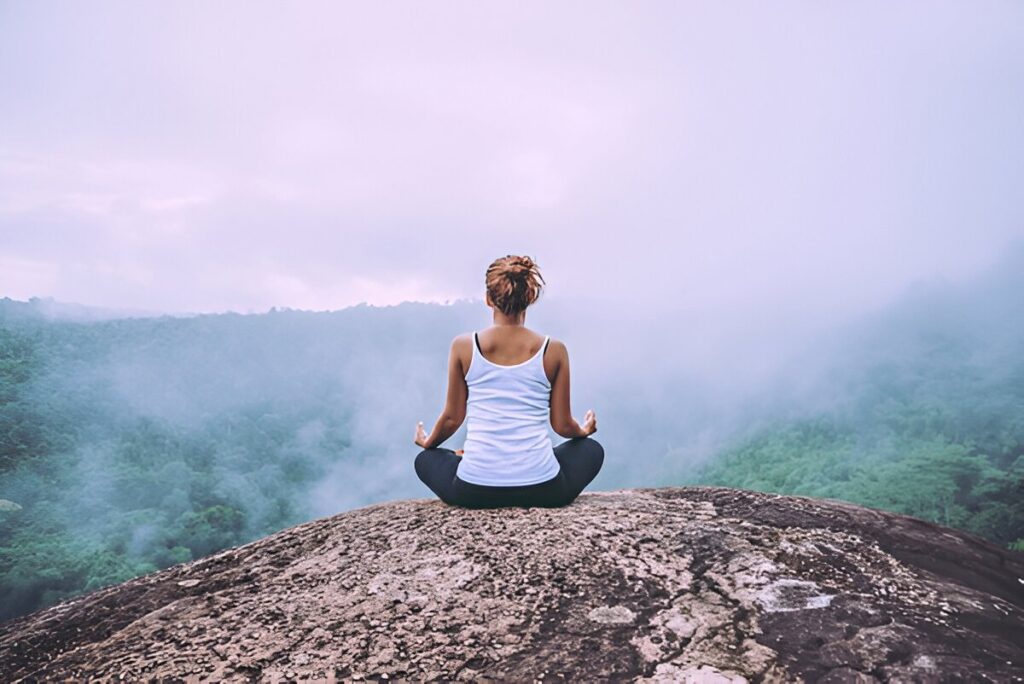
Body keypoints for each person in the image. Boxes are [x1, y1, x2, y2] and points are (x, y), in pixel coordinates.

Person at [413, 254, 604, 509]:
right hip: (545, 490)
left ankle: (471, 459)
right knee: (591, 450)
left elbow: (451, 418)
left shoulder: (463, 347)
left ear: (488, 299)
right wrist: (583, 430)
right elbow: (561, 425)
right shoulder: (554, 350)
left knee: (426, 459)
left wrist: (428, 443)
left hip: (473, 491)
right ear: (530, 299)